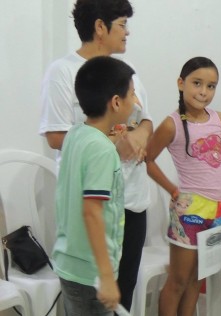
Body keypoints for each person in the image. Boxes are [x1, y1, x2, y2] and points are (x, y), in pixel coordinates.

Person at [38, 0, 152, 311]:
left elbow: (145, 120)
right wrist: (111, 141)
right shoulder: (63, 72)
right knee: (100, 295)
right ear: (100, 27)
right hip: (95, 204)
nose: (127, 32)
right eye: (122, 25)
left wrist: (139, 134)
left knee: (121, 291)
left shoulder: (127, 73)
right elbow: (55, 135)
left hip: (130, 200)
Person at [145, 57, 221, 316]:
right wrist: (173, 190)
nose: (204, 92)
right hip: (190, 212)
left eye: (211, 86)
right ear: (181, 83)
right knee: (177, 281)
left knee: (197, 280)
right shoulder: (171, 124)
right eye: (197, 83)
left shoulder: (220, 119)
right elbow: (148, 160)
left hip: (219, 211)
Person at [52, 56, 136, 314]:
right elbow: (92, 212)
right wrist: (107, 276)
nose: (136, 101)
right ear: (116, 102)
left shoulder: (77, 134)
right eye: (132, 94)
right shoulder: (100, 149)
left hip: (71, 264)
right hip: (92, 274)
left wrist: (112, 145)